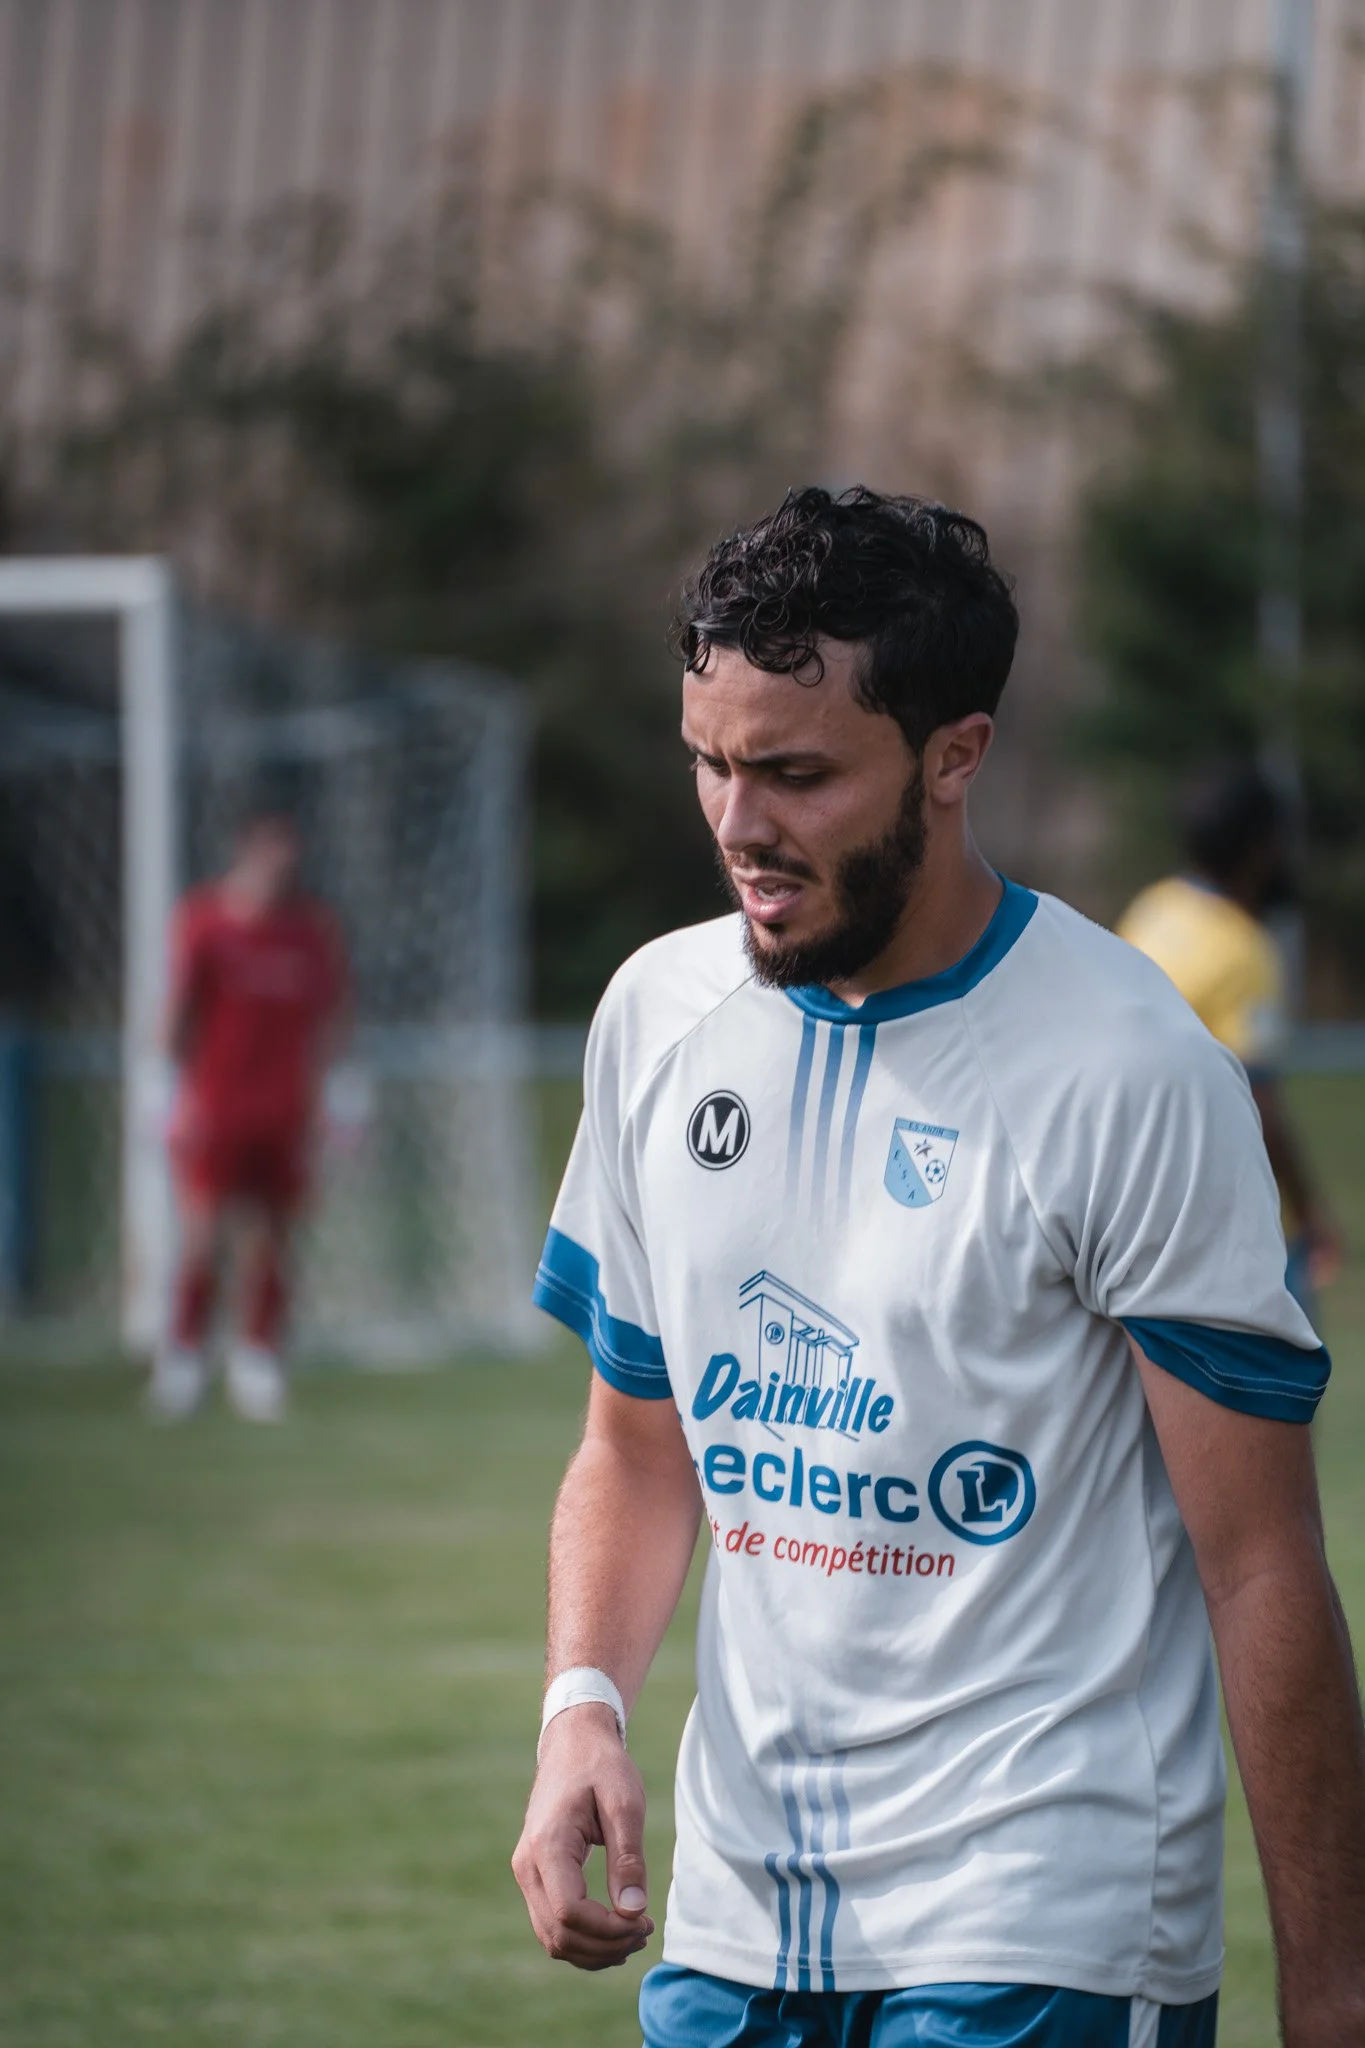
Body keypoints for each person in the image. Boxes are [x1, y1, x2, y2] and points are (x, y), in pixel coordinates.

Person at [513, 487, 1365, 2048]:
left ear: (955, 757)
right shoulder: (655, 1016)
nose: (737, 826)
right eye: (710, 762)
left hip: (1049, 1924)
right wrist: (583, 1709)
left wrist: (1335, 1993)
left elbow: (1260, 1568)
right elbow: (634, 1448)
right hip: (732, 1929)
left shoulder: (1129, 1069)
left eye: (796, 774)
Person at [1117, 765, 1341, 1325]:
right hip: (1235, 1226)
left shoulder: (1152, 910)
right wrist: (1310, 1209)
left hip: (1141, 1211)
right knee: (1279, 1403)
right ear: (1262, 848)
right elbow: (1256, 1100)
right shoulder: (1244, 950)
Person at [148, 809, 349, 1422]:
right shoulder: (205, 922)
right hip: (218, 1106)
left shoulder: (311, 932)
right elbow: (179, 1011)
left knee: (273, 1241)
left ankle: (257, 1360)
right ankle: (183, 1358)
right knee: (202, 1237)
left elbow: (334, 1022)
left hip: (284, 1109)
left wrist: (340, 1096)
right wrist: (165, 1092)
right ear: (247, 850)